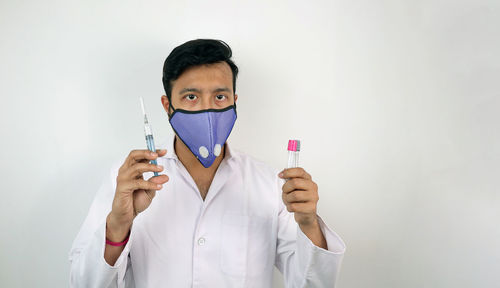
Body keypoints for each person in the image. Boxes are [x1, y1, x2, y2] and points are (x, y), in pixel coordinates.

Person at [69, 39, 346, 288]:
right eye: (191, 97)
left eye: (220, 97)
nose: (208, 109)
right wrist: (118, 224)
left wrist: (309, 224)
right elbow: (84, 284)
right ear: (168, 105)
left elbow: (312, 285)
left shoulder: (269, 184)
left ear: (234, 102)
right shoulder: (129, 180)